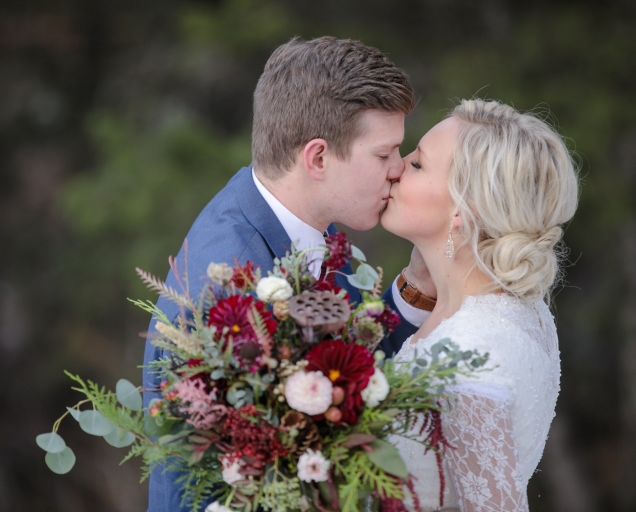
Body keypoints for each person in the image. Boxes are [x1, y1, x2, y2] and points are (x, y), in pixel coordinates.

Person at [143, 36, 438, 512]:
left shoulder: (304, 223)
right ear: (318, 158)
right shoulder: (224, 305)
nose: (399, 169)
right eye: (384, 154)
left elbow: (348, 376)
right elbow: (206, 493)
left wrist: (416, 289)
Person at [382, 99, 579, 511]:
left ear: (463, 209)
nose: (396, 168)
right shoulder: (519, 311)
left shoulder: (469, 350)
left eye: (417, 164)